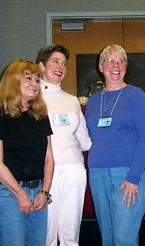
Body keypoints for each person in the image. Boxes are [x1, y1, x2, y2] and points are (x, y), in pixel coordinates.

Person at [84, 44, 145, 245]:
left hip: (127, 176)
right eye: (111, 61)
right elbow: (86, 135)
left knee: (124, 239)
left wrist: (133, 177)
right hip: (98, 175)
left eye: (121, 61)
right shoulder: (95, 100)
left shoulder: (135, 94)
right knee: (107, 239)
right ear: (100, 65)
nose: (116, 66)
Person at [0, 59, 55, 245]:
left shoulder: (40, 114)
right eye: (29, 78)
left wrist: (45, 192)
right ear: (13, 81)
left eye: (37, 80)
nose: (35, 84)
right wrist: (19, 193)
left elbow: (49, 158)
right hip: (8, 194)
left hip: (38, 193)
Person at [36, 44, 91, 246]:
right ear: (41, 65)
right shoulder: (32, 97)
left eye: (64, 63)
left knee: (70, 234)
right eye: (55, 61)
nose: (61, 66)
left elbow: (84, 141)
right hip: (46, 172)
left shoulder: (72, 100)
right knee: (47, 234)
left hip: (75, 169)